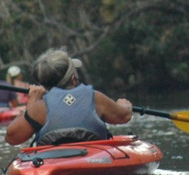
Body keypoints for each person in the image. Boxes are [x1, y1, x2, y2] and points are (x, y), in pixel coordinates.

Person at [4, 49, 133, 146]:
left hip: (52, 162)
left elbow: (12, 137)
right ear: (73, 78)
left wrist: (32, 102)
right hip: (95, 158)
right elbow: (124, 116)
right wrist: (124, 104)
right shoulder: (96, 98)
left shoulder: (39, 108)